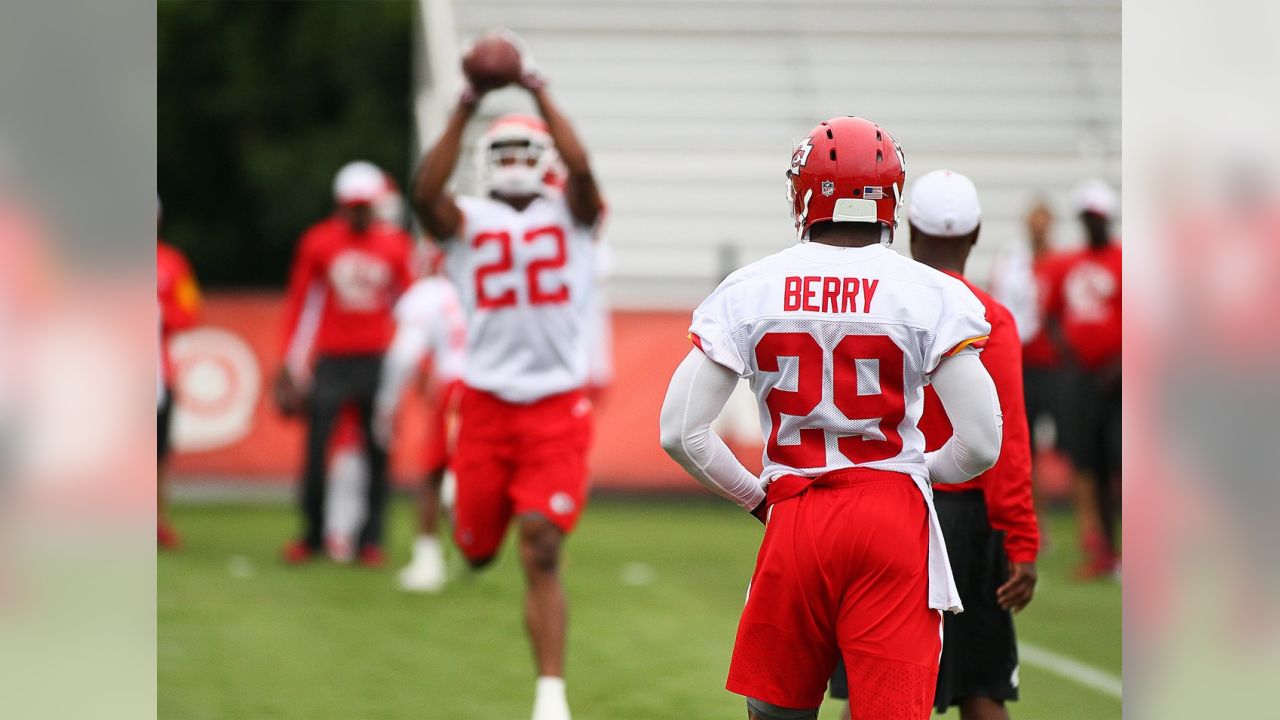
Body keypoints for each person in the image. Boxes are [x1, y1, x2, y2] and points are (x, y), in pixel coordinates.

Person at [659, 117, 1003, 720]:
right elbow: (980, 443)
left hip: (795, 508)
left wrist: (756, 497)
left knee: (777, 713)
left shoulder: (751, 288)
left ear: (804, 193)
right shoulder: (929, 292)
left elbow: (680, 434)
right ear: (890, 199)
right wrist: (919, 474)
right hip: (893, 520)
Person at [410, 42, 604, 720]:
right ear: (487, 164)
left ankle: (550, 693)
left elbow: (582, 168)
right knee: (478, 546)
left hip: (555, 403)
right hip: (487, 405)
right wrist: (468, 102)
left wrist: (535, 88)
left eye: (530, 151)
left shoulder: (573, 216)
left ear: (544, 159)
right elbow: (423, 193)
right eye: (507, 152)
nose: (518, 164)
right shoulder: (467, 220)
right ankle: (466, 542)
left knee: (542, 545)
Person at [827, 170, 1038, 720]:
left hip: (883, 501)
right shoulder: (993, 319)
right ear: (975, 235)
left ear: (909, 232)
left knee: (874, 681)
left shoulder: (876, 303)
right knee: (981, 687)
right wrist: (1021, 538)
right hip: (966, 517)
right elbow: (1006, 440)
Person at [276, 160, 413, 567]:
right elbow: (304, 302)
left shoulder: (394, 244)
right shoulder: (319, 242)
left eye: (364, 206)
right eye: (353, 206)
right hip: (332, 359)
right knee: (317, 447)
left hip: (376, 357)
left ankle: (371, 539)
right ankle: (313, 534)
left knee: (377, 450)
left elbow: (408, 306)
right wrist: (291, 360)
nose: (359, 213)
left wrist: (409, 360)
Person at [376, 244, 467, 592]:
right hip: (497, 389)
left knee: (433, 472)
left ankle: (429, 559)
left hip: (454, 388)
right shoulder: (492, 280)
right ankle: (473, 543)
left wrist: (387, 405)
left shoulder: (430, 293)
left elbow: (403, 356)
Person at [1045, 180, 1122, 578]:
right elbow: (1052, 316)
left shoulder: (1124, 260)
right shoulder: (1066, 264)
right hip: (1080, 378)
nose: (1091, 225)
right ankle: (1102, 549)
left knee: (1121, 460)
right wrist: (1072, 354)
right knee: (1087, 460)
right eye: (1086, 218)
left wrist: (1120, 363)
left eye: (1096, 218)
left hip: (1120, 379)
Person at [157, 199, 202, 549]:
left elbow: (190, 311)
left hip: (157, 370)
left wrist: (161, 314)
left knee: (157, 453)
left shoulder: (172, 262)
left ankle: (157, 520)